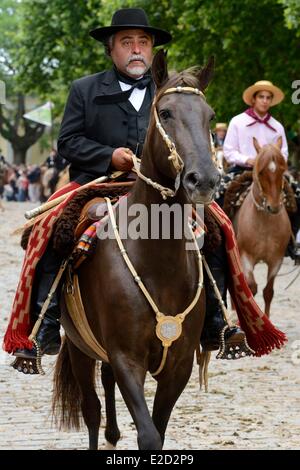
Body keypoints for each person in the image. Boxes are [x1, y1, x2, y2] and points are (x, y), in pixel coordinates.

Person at [9, 8, 247, 366]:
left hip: (164, 188)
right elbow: (67, 141)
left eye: (143, 42)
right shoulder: (84, 89)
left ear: (152, 50)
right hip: (98, 182)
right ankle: (44, 324)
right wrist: (109, 155)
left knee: (216, 229)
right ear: (111, 49)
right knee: (51, 228)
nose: (136, 49)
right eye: (127, 42)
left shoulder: (173, 91)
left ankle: (216, 320)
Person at [223, 80, 300, 261]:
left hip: (272, 173)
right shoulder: (238, 122)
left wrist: (275, 162)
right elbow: (228, 151)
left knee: (297, 194)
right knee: (220, 194)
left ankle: (291, 242)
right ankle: (220, 243)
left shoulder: (278, 126)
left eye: (268, 98)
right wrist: (248, 159)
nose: (265, 101)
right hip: (243, 170)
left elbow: (284, 153)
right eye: (261, 97)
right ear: (253, 99)